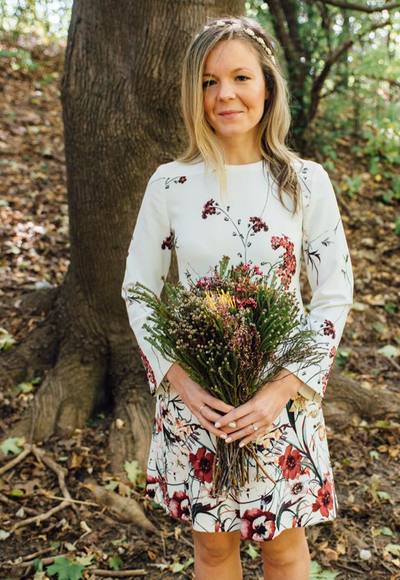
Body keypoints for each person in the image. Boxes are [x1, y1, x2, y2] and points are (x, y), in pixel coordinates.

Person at [121, 15, 354, 580]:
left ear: (267, 85)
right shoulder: (171, 184)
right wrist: (180, 380)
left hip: (282, 397)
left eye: (240, 77)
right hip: (198, 400)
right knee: (212, 550)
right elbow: (139, 289)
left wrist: (283, 390)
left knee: (284, 549)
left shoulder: (305, 181)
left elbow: (333, 291)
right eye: (209, 81)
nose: (224, 94)